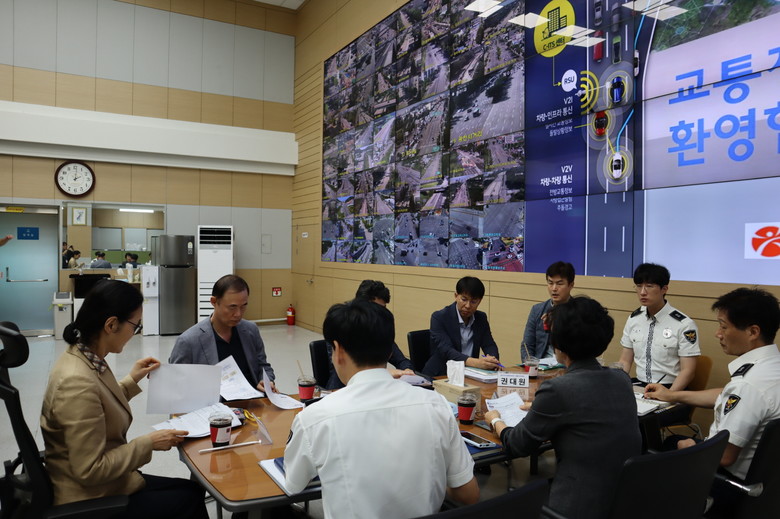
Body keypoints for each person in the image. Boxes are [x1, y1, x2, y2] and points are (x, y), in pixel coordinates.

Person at [284, 299, 479, 519]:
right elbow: (469, 494)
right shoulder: (436, 405)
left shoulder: (314, 418)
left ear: (337, 351)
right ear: (389, 352)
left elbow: (293, 484)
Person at [40, 279, 207, 518]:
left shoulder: (85, 355)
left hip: (106, 482)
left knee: (191, 490)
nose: (135, 333)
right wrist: (149, 442)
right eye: (135, 326)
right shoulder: (76, 381)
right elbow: (90, 470)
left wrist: (132, 379)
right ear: (111, 325)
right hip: (90, 496)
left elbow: (99, 403)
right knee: (188, 499)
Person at [485, 296, 641, 519]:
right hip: (623, 500)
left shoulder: (558, 389)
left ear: (558, 343)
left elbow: (518, 445)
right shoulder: (622, 379)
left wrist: (495, 419)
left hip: (577, 506)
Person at [645, 288, 780, 518]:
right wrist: (673, 395)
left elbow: (725, 456)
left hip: (727, 483)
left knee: (654, 455)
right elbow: (725, 395)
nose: (718, 334)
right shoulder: (770, 368)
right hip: (766, 484)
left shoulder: (747, 386)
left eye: (723, 326)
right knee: (671, 442)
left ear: (753, 332)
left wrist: (690, 448)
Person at [169, 274, 276, 392]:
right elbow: (175, 384)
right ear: (214, 302)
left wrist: (266, 381)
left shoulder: (251, 330)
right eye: (232, 307)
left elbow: (263, 366)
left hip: (253, 399)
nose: (238, 314)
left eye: (243, 306)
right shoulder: (188, 341)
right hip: (213, 402)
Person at [618, 263, 700, 391]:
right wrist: (617, 384)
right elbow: (625, 361)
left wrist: (669, 395)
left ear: (664, 289)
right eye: (639, 286)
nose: (642, 292)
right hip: (640, 385)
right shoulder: (634, 319)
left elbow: (688, 371)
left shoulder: (684, 324)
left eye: (649, 286)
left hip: (671, 388)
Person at [325, 280, 415, 389]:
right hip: (341, 387)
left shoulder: (379, 329)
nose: (378, 314)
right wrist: (382, 373)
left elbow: (402, 360)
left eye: (383, 309)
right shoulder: (341, 325)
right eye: (374, 308)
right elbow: (344, 369)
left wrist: (407, 371)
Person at [422, 276, 501, 376]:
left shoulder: (481, 318)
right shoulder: (439, 317)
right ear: (456, 296)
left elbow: (489, 344)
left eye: (473, 302)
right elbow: (447, 351)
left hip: (470, 373)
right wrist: (476, 363)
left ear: (480, 301)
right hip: (441, 374)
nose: (468, 306)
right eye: (464, 299)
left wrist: (492, 361)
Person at [522, 261, 575, 360]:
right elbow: (527, 345)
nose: (554, 288)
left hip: (568, 365)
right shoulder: (537, 310)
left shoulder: (579, 311)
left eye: (559, 284)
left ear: (571, 285)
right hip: (540, 365)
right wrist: (530, 364)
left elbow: (579, 346)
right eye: (550, 283)